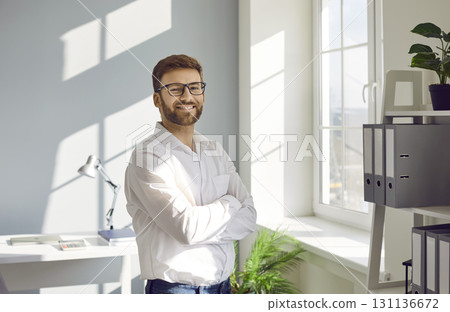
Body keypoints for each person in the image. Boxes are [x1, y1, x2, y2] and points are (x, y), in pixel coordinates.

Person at [124, 54, 257, 294]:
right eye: (175, 89)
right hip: (175, 292)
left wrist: (201, 226)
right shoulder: (148, 157)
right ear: (157, 99)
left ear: (203, 95)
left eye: (194, 88)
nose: (187, 96)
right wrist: (229, 203)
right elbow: (186, 228)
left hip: (223, 288)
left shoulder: (215, 150)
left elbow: (249, 217)